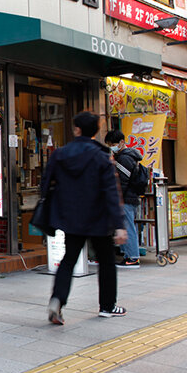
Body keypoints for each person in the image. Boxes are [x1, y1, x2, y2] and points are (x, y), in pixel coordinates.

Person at [42, 111, 128, 325]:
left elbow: (45, 183)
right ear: (97, 131)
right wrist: (119, 225)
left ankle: (57, 299)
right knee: (107, 261)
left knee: (69, 260)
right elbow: (111, 191)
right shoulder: (102, 156)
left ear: (76, 129)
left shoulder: (60, 154)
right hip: (99, 220)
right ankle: (107, 306)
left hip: (71, 218)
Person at [105, 130, 143, 268]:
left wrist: (117, 198)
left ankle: (132, 258)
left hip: (127, 198)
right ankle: (128, 255)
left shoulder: (125, 158)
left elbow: (122, 182)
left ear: (122, 142)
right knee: (127, 226)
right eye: (109, 144)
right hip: (130, 197)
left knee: (127, 227)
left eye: (113, 144)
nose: (111, 147)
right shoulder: (128, 156)